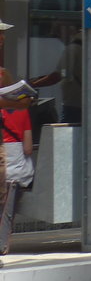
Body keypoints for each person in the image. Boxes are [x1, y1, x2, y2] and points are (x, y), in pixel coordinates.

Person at [0, 101, 33, 255]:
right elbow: (27, 148)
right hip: (15, 171)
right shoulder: (23, 110)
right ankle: (2, 244)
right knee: (7, 208)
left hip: (4, 165)